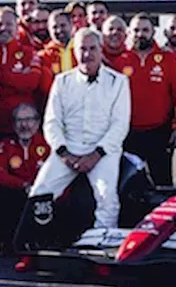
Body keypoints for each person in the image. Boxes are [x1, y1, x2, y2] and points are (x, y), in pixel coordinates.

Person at [23, 28, 131, 245]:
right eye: (82, 49)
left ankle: (103, 249)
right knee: (40, 193)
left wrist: (96, 155)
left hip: (103, 151)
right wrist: (64, 154)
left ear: (101, 51)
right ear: (75, 52)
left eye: (92, 49)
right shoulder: (62, 81)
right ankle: (32, 248)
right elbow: (51, 122)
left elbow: (120, 125)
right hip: (67, 149)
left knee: (107, 197)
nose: (87, 54)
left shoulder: (118, 82)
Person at [107, 13, 176, 187]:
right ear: (129, 32)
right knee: (128, 182)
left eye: (145, 30)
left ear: (153, 32)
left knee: (162, 182)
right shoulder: (120, 61)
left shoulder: (169, 59)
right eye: (136, 30)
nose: (140, 34)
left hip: (159, 132)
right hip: (128, 134)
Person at [0, 102, 49, 254]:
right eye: (19, 120)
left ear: (38, 122)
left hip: (42, 195)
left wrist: (37, 188)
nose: (24, 125)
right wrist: (23, 185)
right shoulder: (7, 144)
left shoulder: (48, 144)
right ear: (13, 125)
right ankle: (3, 241)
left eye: (29, 119)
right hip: (18, 193)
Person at [0, 7, 42, 137]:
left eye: (9, 24)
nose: (4, 28)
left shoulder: (29, 52)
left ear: (17, 27)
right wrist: (18, 78)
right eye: (0, 24)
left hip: (24, 127)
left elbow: (31, 82)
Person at [38, 8, 76, 97]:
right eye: (54, 27)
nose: (59, 30)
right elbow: (45, 87)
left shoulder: (82, 49)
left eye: (63, 25)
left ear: (71, 25)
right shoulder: (44, 56)